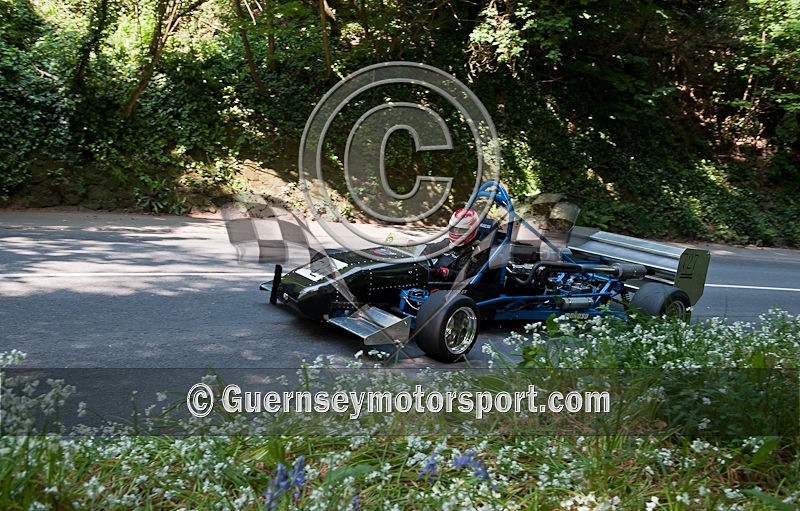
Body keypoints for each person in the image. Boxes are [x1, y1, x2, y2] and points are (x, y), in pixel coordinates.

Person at [428, 208, 496, 281]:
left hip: (454, 288)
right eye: (454, 228)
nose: (456, 232)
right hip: (435, 282)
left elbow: (471, 275)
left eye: (461, 230)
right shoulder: (448, 242)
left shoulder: (480, 250)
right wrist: (416, 250)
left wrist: (447, 273)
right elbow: (429, 249)